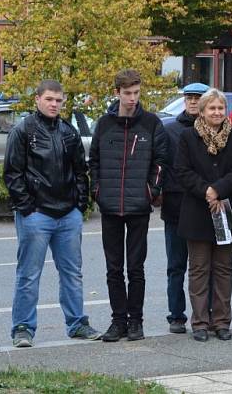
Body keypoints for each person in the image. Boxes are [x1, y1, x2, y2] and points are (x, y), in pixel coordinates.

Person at [3, 80, 102, 347]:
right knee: (28, 274)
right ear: (37, 99)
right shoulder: (23, 131)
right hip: (36, 215)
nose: (54, 104)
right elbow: (12, 173)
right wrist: (27, 207)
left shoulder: (68, 132)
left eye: (59, 100)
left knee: (72, 273)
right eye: (49, 99)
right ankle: (23, 327)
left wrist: (79, 205)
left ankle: (77, 323)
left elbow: (81, 171)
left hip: (68, 214)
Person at [89, 69, 168, 342]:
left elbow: (160, 162)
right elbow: (94, 162)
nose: (132, 98)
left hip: (138, 207)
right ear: (117, 93)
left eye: (136, 93)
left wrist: (151, 191)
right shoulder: (104, 124)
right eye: (127, 93)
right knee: (114, 268)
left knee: (136, 268)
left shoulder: (151, 124)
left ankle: (136, 322)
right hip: (110, 206)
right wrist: (97, 189)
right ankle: (117, 322)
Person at [174, 88, 232, 342]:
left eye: (220, 108)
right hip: (197, 211)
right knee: (198, 269)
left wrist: (218, 189)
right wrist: (206, 190)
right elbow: (182, 171)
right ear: (203, 110)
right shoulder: (188, 137)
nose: (217, 112)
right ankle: (199, 323)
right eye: (212, 108)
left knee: (223, 269)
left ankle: (221, 321)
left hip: (228, 209)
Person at [161, 82, 209, 334]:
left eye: (197, 98)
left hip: (204, 205)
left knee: (205, 265)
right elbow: (164, 167)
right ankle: (176, 315)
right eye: (189, 97)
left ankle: (205, 313)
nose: (192, 101)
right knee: (176, 265)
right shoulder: (169, 130)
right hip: (176, 205)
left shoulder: (215, 130)